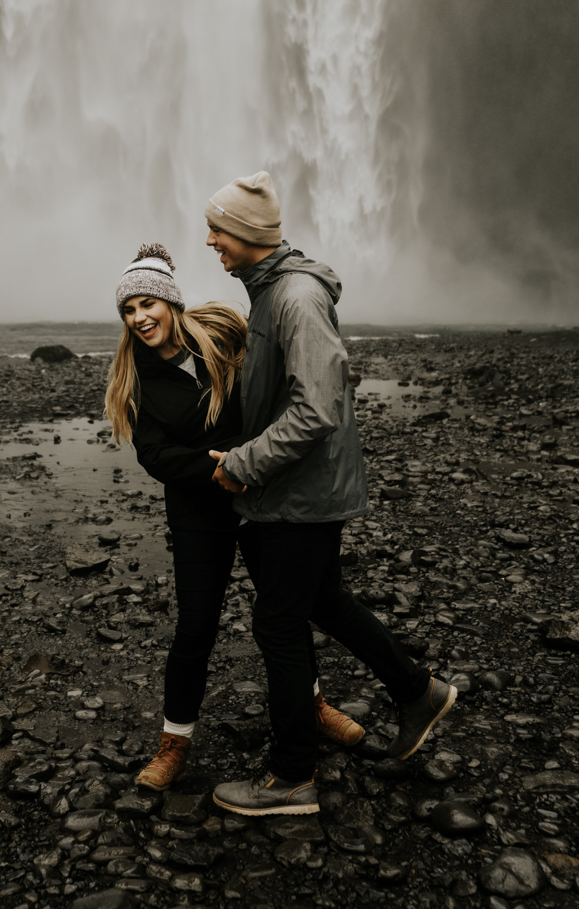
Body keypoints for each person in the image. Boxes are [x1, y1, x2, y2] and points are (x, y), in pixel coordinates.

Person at [203, 174, 458, 817]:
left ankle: (291, 777)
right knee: (323, 600)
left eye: (220, 231)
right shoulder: (272, 293)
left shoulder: (294, 298)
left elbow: (315, 409)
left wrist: (244, 463)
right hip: (299, 490)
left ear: (249, 235)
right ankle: (416, 691)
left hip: (300, 494)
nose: (211, 241)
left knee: (278, 622)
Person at [104, 243, 366, 793]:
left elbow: (278, 388)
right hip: (201, 512)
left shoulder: (223, 335)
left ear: (172, 302)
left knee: (285, 616)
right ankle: (174, 742)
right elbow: (154, 455)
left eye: (148, 304)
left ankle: (312, 707)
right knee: (195, 627)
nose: (139, 318)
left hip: (267, 500)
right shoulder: (135, 379)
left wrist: (255, 462)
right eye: (129, 310)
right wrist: (223, 467)